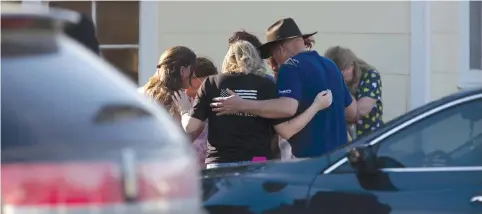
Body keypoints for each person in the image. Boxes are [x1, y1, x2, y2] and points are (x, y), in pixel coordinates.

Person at [210, 18, 358, 158]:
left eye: (272, 54)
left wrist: (242, 104)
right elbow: (352, 111)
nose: (274, 60)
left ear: (279, 49)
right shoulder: (330, 65)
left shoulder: (290, 67)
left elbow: (288, 107)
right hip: (340, 158)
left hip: (309, 161)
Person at [173, 41, 332, 169]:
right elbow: (287, 130)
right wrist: (316, 106)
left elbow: (191, 127)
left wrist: (185, 110)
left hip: (220, 162)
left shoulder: (212, 83)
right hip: (258, 161)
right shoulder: (266, 85)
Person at [324, 46, 383, 138]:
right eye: (336, 71)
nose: (340, 74)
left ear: (352, 65)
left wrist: (340, 84)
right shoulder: (329, 79)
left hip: (370, 137)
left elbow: (359, 112)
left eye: (343, 69)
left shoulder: (370, 75)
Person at [142, 46, 196, 123]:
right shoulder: (178, 100)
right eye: (193, 69)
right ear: (182, 70)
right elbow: (184, 133)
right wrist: (186, 112)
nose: (194, 74)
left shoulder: (147, 91)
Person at [188, 57, 218, 168]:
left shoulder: (223, 99)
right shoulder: (178, 102)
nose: (203, 94)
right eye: (199, 88)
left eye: (208, 87)